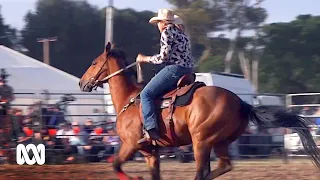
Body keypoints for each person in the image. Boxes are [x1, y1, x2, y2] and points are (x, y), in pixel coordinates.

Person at [136, 9, 195, 144]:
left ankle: (151, 129)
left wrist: (144, 59)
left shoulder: (166, 32)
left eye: (157, 22)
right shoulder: (182, 33)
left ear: (162, 22)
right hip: (188, 69)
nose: (157, 26)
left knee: (146, 94)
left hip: (175, 69)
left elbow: (163, 57)